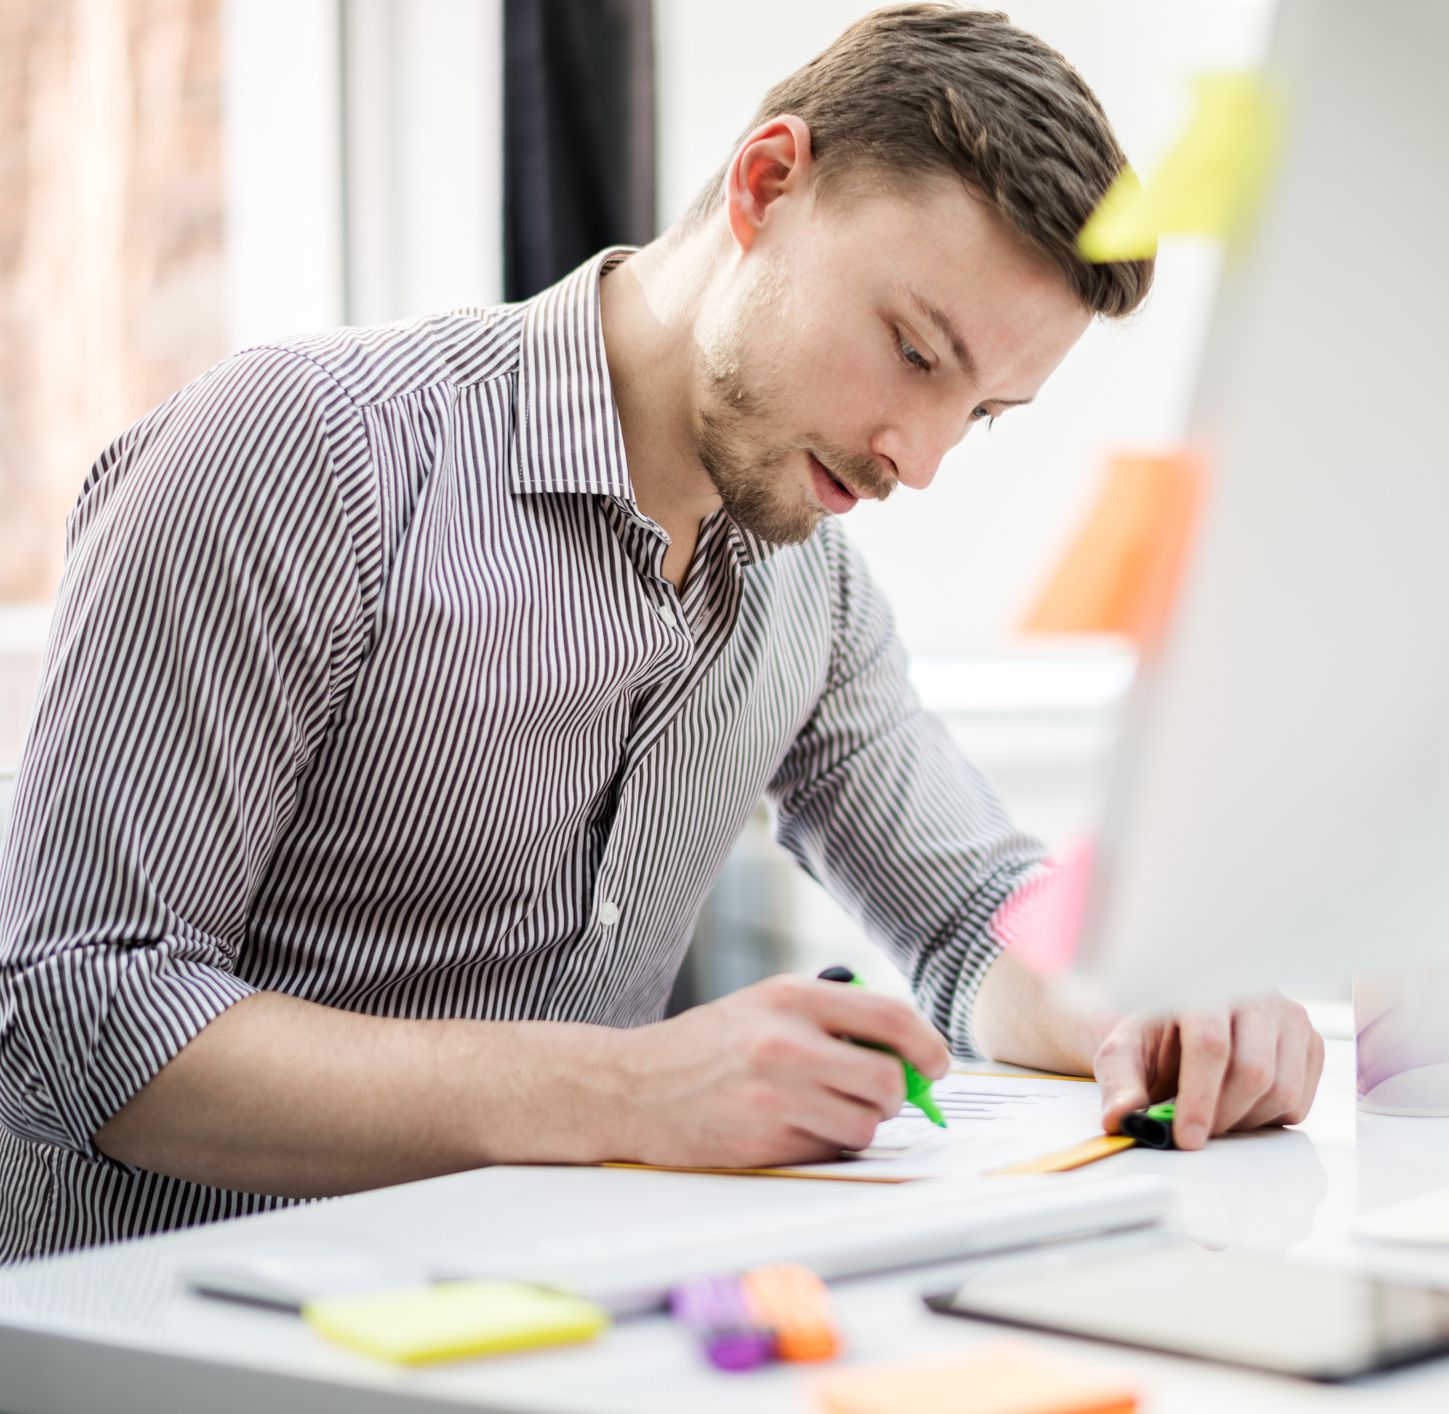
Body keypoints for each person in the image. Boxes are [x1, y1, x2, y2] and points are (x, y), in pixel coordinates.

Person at [0, 4, 1323, 1264]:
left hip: (528, 1338)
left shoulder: (813, 593)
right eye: (917, 353)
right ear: (765, 184)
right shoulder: (301, 459)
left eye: (982, 414)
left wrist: (1150, 1005)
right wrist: (628, 1087)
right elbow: (80, 1012)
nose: (918, 459)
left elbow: (977, 918)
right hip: (148, 1333)